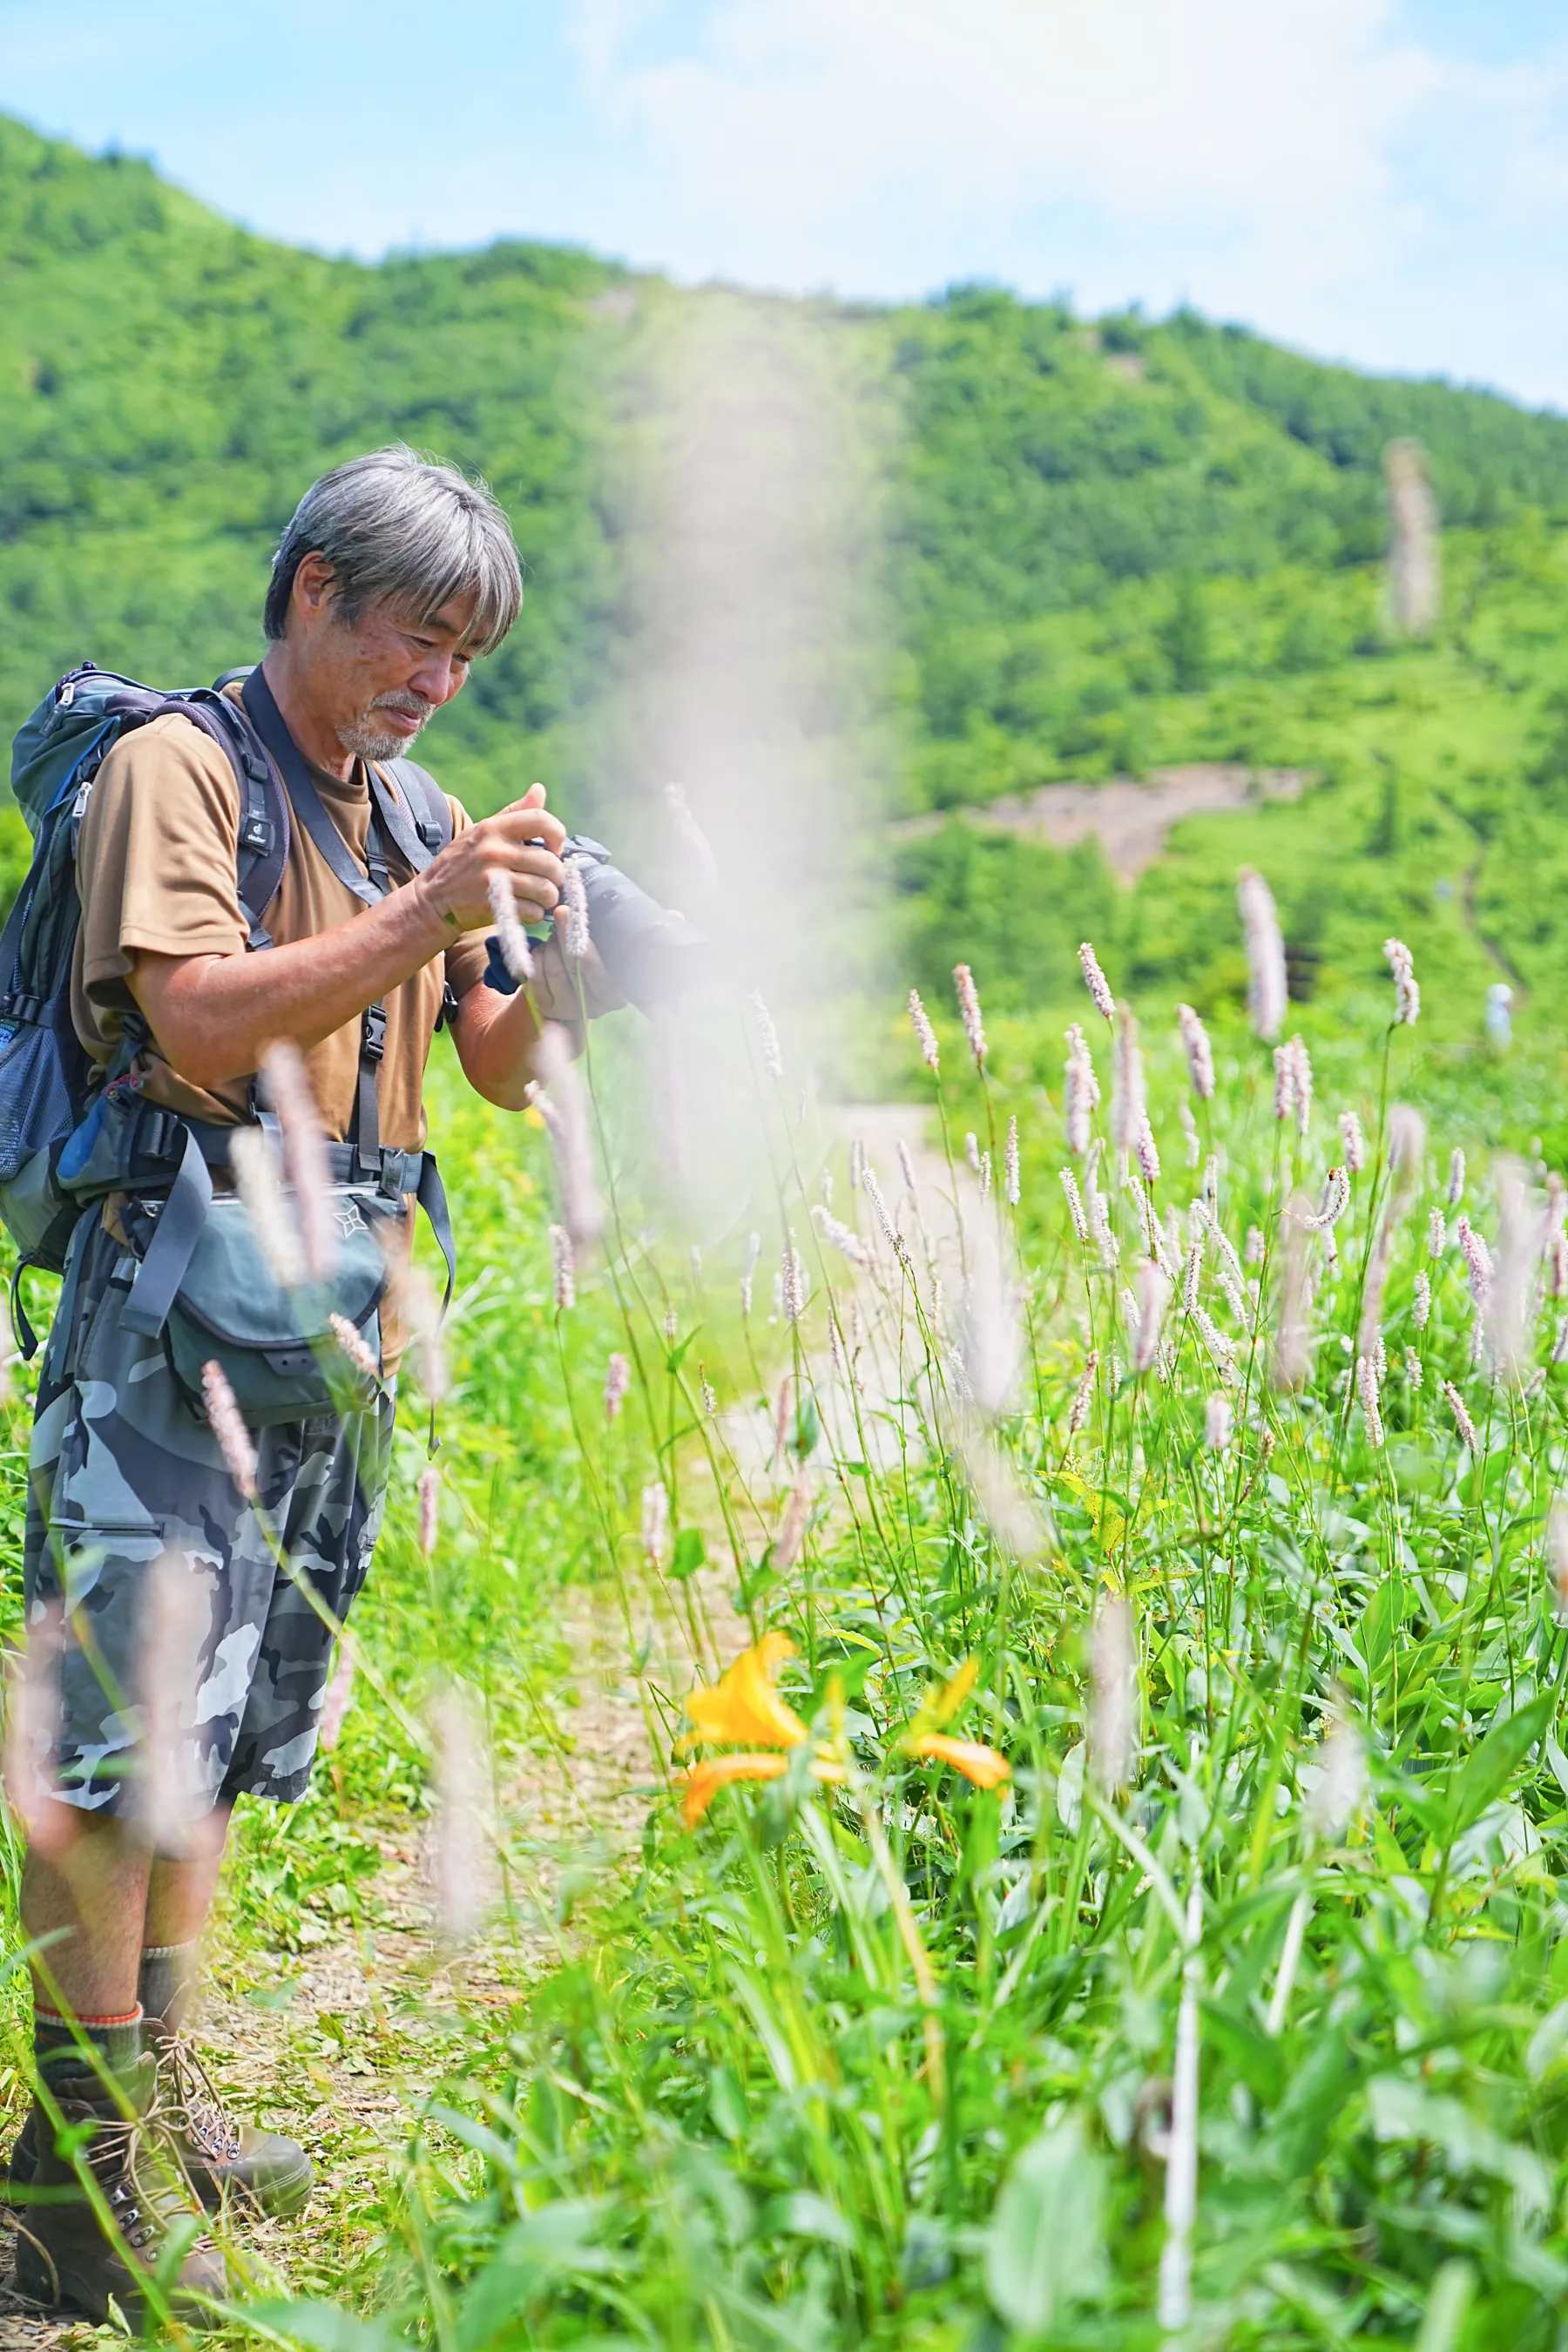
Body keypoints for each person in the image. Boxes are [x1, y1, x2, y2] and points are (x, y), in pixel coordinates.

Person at [5, 447, 620, 2322]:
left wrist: (575, 958)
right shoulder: (174, 773)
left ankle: (149, 2098)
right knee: (118, 1745)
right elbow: (193, 1011)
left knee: (229, 1732)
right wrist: (428, 913)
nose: (437, 679)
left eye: (467, 652)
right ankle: (78, 2187)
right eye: (414, 636)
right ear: (310, 594)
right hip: (168, 1297)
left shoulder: (410, 800)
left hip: (337, 1300)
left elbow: (498, 1070)